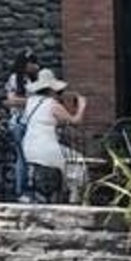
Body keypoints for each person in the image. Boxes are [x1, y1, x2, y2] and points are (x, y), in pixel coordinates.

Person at [18, 69, 85, 204]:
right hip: (46, 149)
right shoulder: (53, 105)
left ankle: (50, 191)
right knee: (78, 161)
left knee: (66, 158)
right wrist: (82, 106)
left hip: (29, 148)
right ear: (51, 89)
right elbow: (75, 121)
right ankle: (74, 196)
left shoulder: (30, 102)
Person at [5, 52, 38, 200]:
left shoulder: (34, 80)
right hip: (19, 121)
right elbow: (11, 100)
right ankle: (21, 190)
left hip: (32, 122)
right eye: (30, 62)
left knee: (32, 157)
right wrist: (33, 101)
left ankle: (31, 189)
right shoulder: (15, 79)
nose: (33, 65)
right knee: (22, 156)